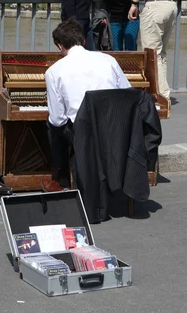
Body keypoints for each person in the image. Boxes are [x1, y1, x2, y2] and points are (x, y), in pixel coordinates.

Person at [43, 18, 131, 192]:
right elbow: (127, 93)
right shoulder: (109, 60)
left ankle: (61, 180)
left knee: (51, 125)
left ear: (60, 46)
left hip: (84, 130)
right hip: (114, 127)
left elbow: (57, 119)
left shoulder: (53, 71)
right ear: (83, 41)